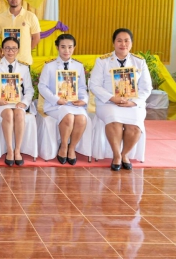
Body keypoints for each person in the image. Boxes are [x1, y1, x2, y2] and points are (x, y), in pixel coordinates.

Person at [89, 28, 152, 171]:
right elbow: (94, 85)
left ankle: (125, 155)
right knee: (114, 122)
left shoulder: (139, 62)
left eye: (126, 40)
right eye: (119, 40)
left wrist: (133, 102)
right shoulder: (102, 61)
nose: (123, 44)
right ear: (113, 43)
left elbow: (146, 88)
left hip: (132, 103)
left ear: (131, 43)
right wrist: (112, 98)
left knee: (135, 127)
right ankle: (117, 156)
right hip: (108, 103)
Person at [38, 34, 89, 165]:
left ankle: (72, 148)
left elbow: (82, 86)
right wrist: (56, 99)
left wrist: (83, 100)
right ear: (57, 47)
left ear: (74, 48)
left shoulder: (78, 66)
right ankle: (64, 146)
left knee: (82, 119)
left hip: (74, 103)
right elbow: (42, 86)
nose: (66, 51)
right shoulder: (49, 66)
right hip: (55, 105)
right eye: (63, 47)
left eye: (70, 47)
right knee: (69, 117)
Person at [0, 37, 34, 166]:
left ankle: (18, 150)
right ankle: (9, 150)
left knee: (19, 113)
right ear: (2, 49)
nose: (10, 51)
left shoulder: (24, 68)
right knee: (8, 114)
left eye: (13, 48)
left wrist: (24, 103)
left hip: (17, 102)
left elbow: (29, 90)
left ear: (18, 50)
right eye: (7, 48)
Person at [0, 0, 41, 65]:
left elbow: (36, 38)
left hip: (24, 62)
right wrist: (2, 55)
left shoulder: (31, 16)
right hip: (6, 62)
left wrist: (26, 52)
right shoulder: (0, 18)